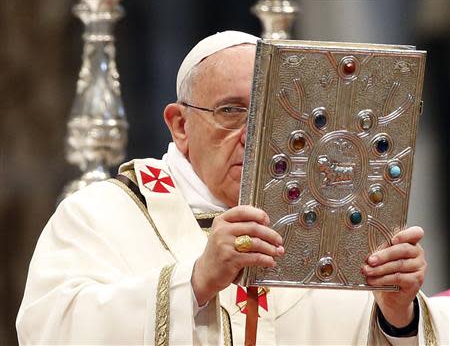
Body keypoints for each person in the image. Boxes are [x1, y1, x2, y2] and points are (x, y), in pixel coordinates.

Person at [17, 31, 448, 345]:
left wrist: (397, 317)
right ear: (180, 125)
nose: (256, 135)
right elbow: (51, 330)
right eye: (232, 111)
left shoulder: (339, 231)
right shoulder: (102, 216)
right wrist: (196, 281)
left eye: (272, 114)